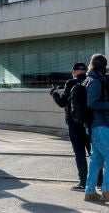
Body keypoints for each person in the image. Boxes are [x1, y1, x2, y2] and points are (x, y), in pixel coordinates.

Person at [50, 62, 94, 192]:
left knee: (79, 153)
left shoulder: (71, 83)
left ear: (74, 71)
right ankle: (98, 180)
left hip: (74, 123)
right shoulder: (91, 81)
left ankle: (83, 182)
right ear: (85, 70)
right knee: (93, 153)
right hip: (90, 122)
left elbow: (62, 102)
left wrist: (54, 93)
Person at [84, 54, 109, 202]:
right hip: (99, 125)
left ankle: (90, 192)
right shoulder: (95, 81)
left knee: (96, 160)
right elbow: (92, 103)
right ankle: (106, 190)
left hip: (94, 126)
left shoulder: (91, 79)